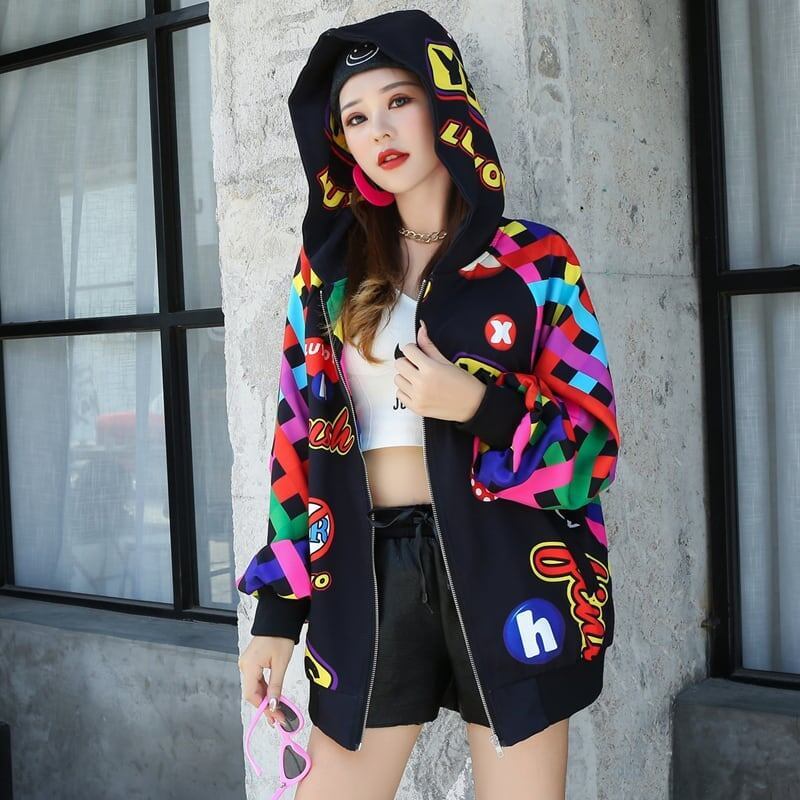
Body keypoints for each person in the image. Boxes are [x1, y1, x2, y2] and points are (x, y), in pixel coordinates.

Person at [236, 9, 621, 799]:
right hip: (365, 572)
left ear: (445, 106)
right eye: (355, 117)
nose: (379, 129)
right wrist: (276, 615)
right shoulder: (328, 274)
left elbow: (594, 448)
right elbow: (295, 442)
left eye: (398, 100)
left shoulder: (537, 262)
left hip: (514, 567)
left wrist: (481, 405)